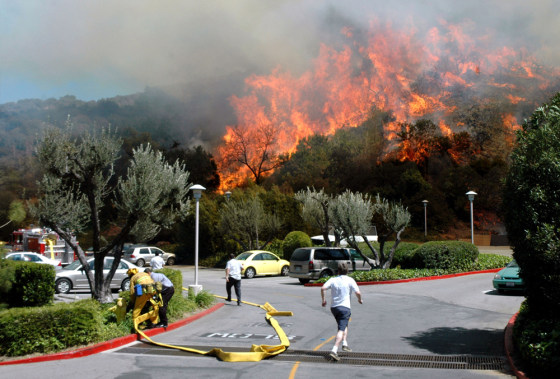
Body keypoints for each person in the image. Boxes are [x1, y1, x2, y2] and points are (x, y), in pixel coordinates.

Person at [321, 261, 363, 361]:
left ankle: (345, 343)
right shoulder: (350, 280)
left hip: (334, 308)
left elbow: (323, 288)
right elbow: (357, 292)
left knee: (343, 325)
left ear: (338, 270)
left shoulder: (333, 279)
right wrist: (359, 299)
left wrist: (323, 300)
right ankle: (334, 350)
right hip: (345, 308)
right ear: (347, 270)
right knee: (341, 328)